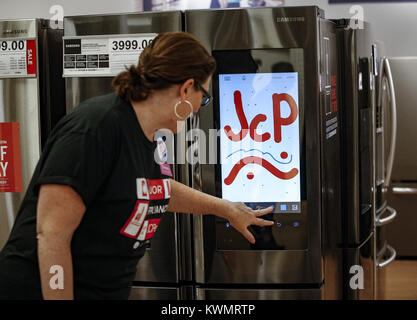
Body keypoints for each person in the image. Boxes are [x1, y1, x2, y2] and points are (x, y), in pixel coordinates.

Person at [0, 32, 273, 300]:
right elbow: (52, 235)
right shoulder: (95, 128)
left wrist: (226, 209)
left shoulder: (148, 134)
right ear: (186, 87)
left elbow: (154, 188)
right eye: (203, 96)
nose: (199, 107)